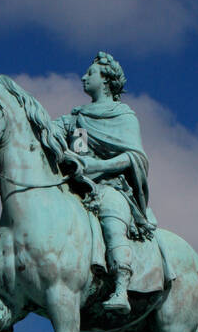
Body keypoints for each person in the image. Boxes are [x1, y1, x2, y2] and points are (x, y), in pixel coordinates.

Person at [54, 52, 157, 314]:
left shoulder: (124, 116)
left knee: (111, 216)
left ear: (107, 80)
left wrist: (98, 166)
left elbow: (135, 157)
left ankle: (121, 287)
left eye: (91, 73)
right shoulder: (77, 118)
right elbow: (62, 139)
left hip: (113, 186)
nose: (84, 77)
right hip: (80, 185)